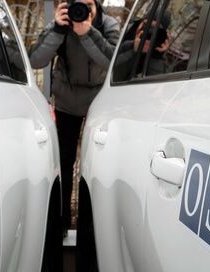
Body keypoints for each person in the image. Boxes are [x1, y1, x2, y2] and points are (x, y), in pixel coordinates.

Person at [29, 0, 120, 231]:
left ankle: (90, 227)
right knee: (64, 163)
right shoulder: (61, 22)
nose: (81, 9)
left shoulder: (108, 24)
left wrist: (88, 32)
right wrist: (58, 30)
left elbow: (113, 63)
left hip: (97, 105)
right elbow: (35, 60)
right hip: (67, 104)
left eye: (87, 3)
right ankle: (61, 223)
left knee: (95, 165)